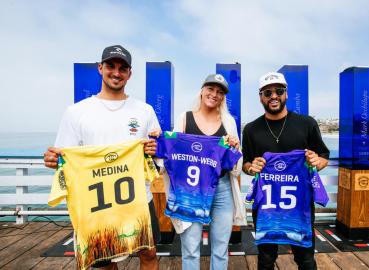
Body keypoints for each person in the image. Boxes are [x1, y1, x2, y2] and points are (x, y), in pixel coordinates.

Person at [43, 45, 160, 270]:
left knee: (149, 253)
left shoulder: (145, 111)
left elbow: (157, 157)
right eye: (111, 66)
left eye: (123, 68)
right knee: (104, 261)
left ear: (130, 73)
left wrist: (156, 150)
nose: (116, 72)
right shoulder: (76, 112)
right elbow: (63, 159)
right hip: (97, 203)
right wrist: (53, 161)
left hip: (139, 199)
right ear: (100, 68)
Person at [242, 72, 329, 270]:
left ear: (286, 94)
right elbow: (246, 163)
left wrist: (317, 161)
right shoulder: (251, 129)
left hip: (300, 206)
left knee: (305, 258)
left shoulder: (307, 124)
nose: (273, 96)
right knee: (265, 259)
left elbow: (324, 157)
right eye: (267, 92)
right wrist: (250, 167)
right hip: (266, 207)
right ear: (260, 97)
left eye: (279, 91)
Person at [167, 74, 246, 269]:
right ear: (202, 90)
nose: (214, 94)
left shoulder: (228, 121)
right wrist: (159, 139)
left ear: (223, 97)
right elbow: (172, 151)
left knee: (220, 249)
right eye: (210, 89)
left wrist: (235, 150)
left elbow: (236, 167)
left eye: (220, 92)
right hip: (190, 190)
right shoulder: (184, 117)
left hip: (222, 189)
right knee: (191, 248)